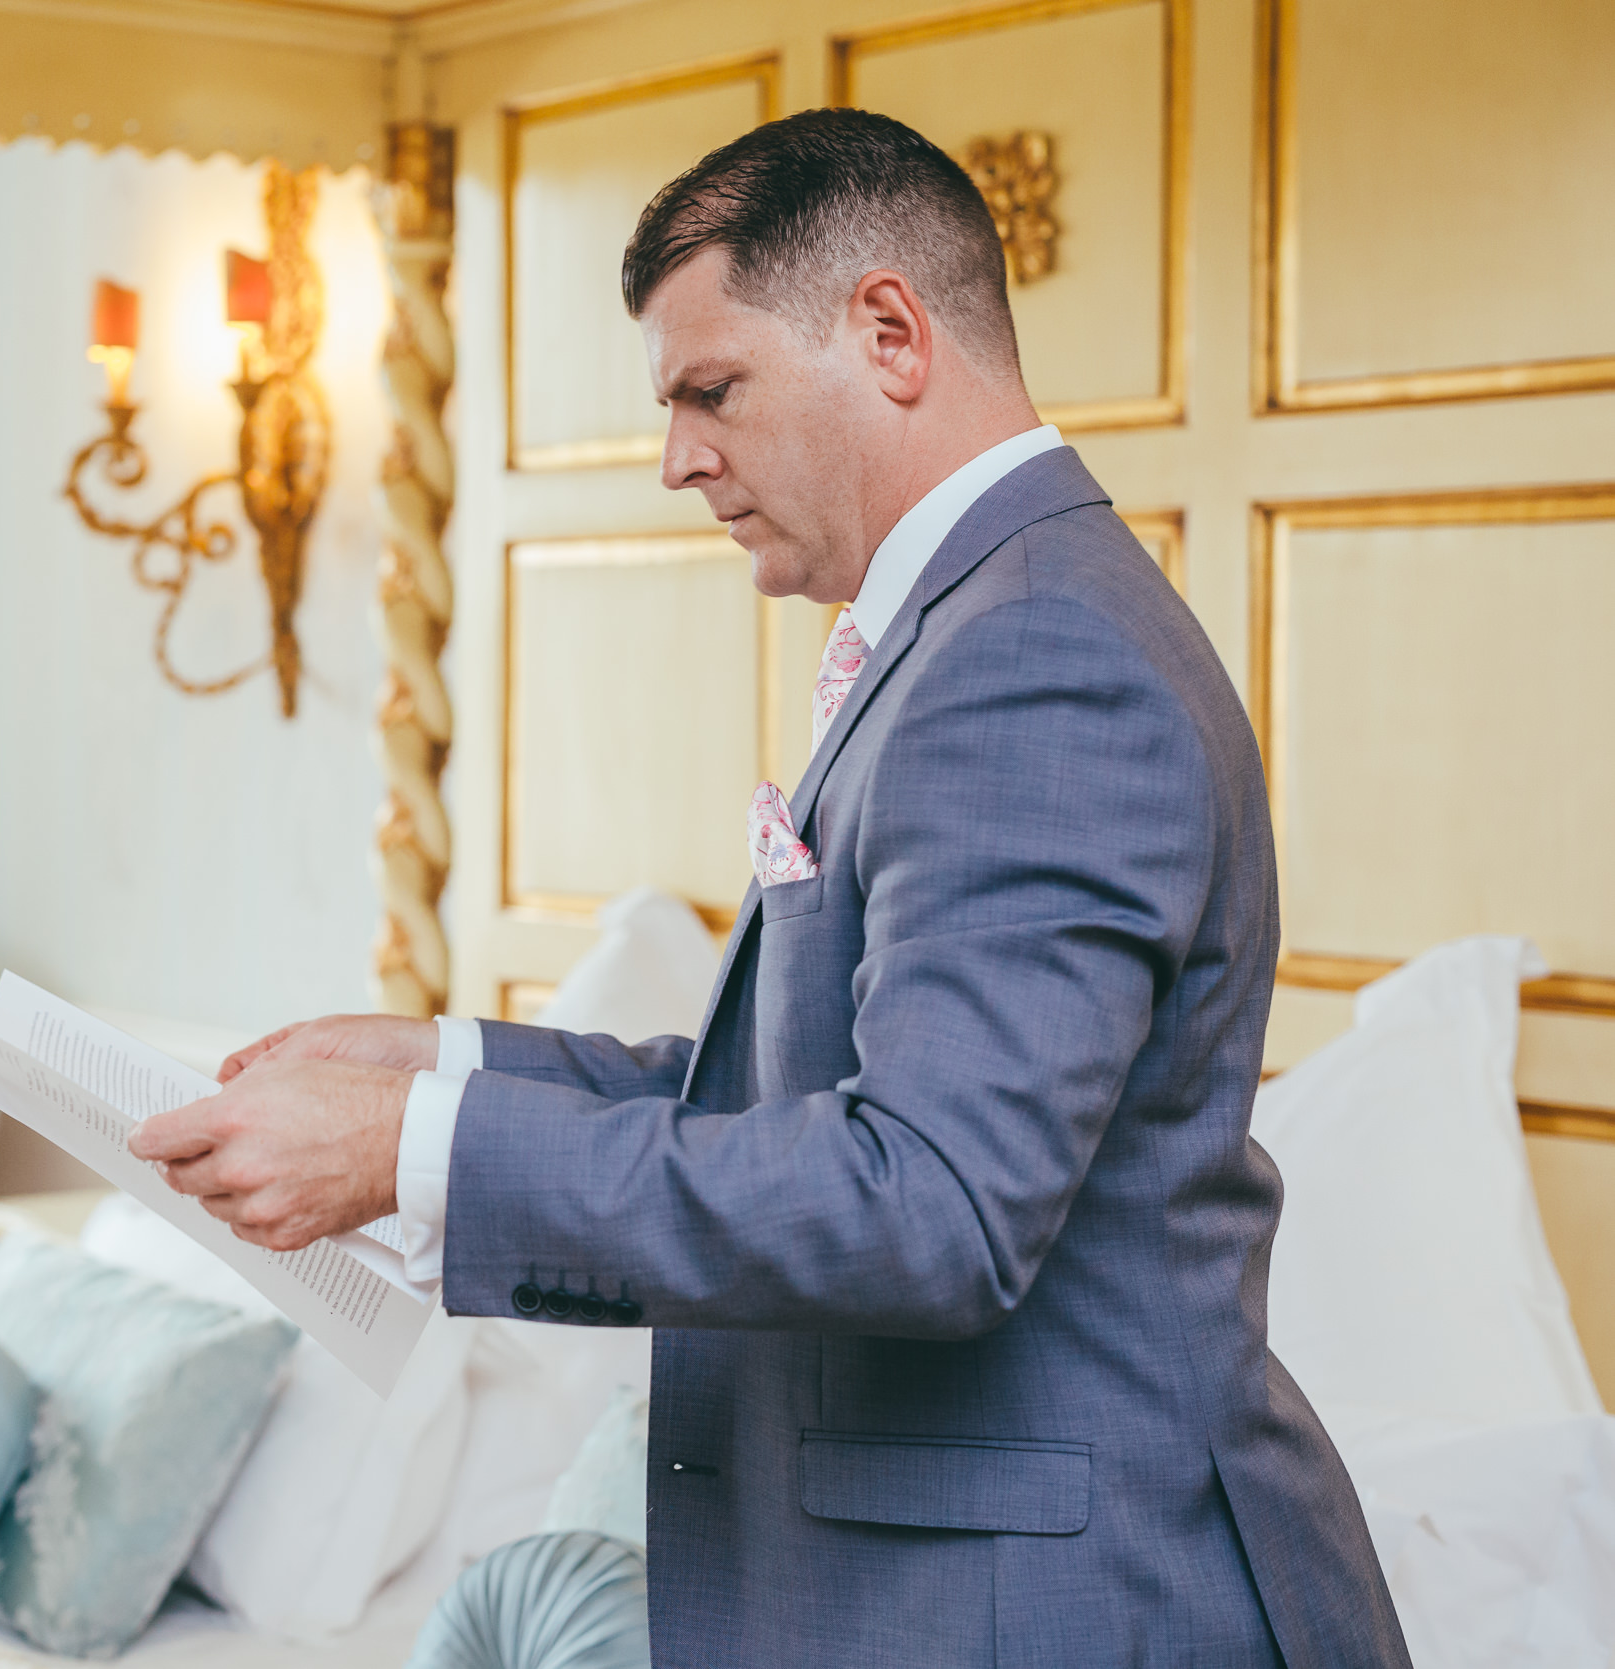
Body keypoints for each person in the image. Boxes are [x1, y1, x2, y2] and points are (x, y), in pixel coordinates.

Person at [129, 108, 1410, 1665]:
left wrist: (419, 1151)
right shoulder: (983, 622)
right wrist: (448, 1062)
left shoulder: (1033, 656)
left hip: (1056, 1612)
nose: (678, 458)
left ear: (887, 331)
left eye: (709, 391)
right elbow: (807, 1095)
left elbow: (931, 1201)